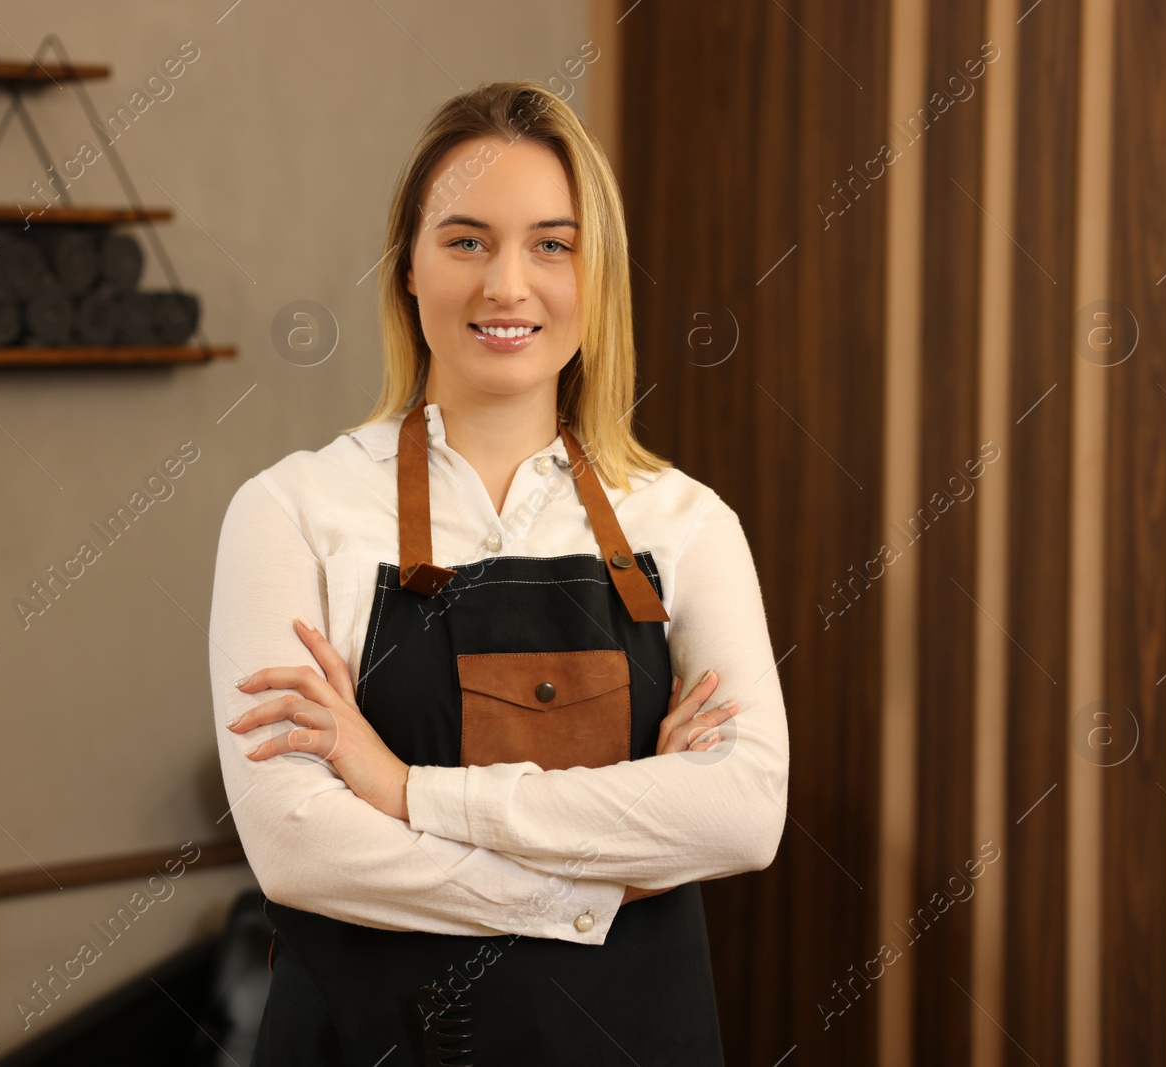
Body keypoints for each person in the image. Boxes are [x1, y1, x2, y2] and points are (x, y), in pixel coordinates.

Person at [209, 80, 789, 1067]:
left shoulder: (686, 522)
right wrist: (607, 872)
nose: (507, 286)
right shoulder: (290, 512)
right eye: (467, 240)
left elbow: (741, 815)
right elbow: (299, 845)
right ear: (407, 271)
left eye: (551, 244)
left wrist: (403, 791)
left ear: (593, 273)